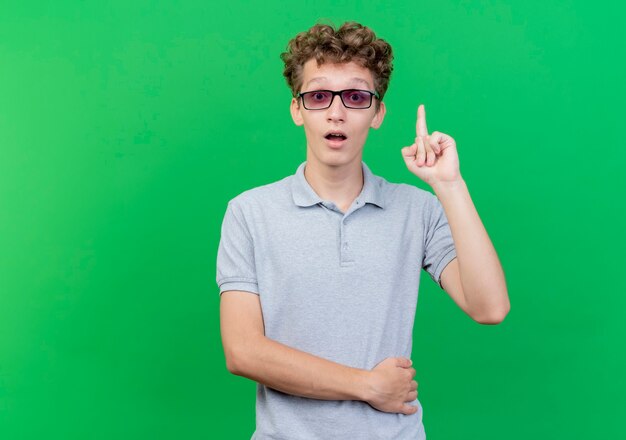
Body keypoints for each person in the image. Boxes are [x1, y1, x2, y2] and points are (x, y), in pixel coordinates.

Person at [216, 21, 509, 440]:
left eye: (355, 97)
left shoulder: (417, 209)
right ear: (297, 109)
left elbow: (490, 308)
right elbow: (243, 351)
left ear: (377, 113)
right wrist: (367, 385)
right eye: (318, 96)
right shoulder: (249, 212)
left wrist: (449, 185)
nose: (336, 112)